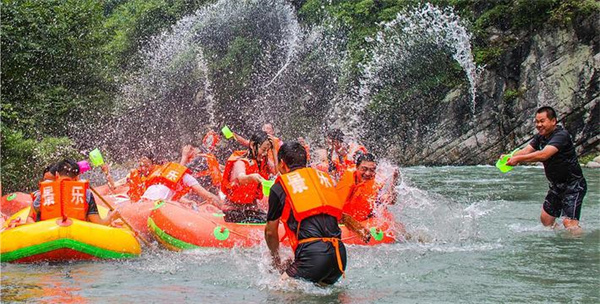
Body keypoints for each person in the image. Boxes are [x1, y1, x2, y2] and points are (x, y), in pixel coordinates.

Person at [265, 142, 370, 286]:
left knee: (277, 291)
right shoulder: (323, 180)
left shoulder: (280, 187)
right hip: (339, 256)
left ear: (282, 163)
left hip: (314, 256)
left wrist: (275, 261)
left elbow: (270, 232)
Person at [506, 106, 587, 233]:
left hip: (573, 186)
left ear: (553, 121)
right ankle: (560, 243)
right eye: (537, 122)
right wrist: (508, 157)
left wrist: (519, 160)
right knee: (546, 220)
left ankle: (578, 246)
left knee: (569, 223)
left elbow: (544, 154)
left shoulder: (561, 135)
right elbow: (526, 150)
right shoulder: (540, 137)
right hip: (556, 186)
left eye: (542, 121)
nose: (539, 125)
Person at [32, 159, 117, 225]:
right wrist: (112, 216)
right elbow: (99, 224)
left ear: (57, 174)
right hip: (78, 237)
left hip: (48, 237)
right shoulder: (86, 194)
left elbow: (29, 218)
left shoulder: (45, 192)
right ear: (77, 177)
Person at [221, 131, 274, 222]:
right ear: (253, 145)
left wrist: (274, 151)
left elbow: (277, 171)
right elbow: (241, 178)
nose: (265, 154)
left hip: (250, 209)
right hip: (234, 210)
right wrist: (252, 177)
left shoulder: (262, 161)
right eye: (264, 149)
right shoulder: (240, 162)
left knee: (270, 219)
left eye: (267, 151)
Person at [336, 153, 400, 221]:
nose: (367, 173)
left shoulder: (375, 183)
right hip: (345, 221)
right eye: (364, 169)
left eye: (372, 170)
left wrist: (393, 183)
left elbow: (391, 200)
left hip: (364, 221)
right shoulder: (346, 180)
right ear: (357, 167)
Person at [141, 159, 222, 208]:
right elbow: (208, 196)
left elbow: (167, 192)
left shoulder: (163, 170)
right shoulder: (187, 178)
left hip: (144, 201)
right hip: (156, 206)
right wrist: (222, 208)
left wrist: (187, 202)